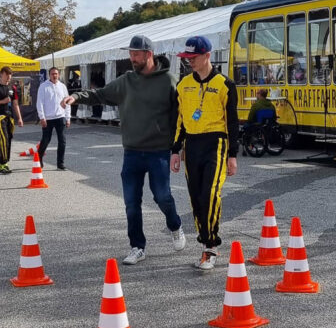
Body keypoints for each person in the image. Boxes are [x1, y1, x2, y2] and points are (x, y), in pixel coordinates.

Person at [61, 35, 185, 265]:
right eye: (130, 53)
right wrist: (76, 97)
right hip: (132, 152)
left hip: (159, 151)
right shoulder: (125, 81)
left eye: (136, 54)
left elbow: (181, 114)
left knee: (162, 196)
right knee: (131, 203)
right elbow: (99, 94)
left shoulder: (169, 80)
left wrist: (179, 147)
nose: (132, 58)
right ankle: (137, 246)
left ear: (149, 54)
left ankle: (175, 225)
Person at [171, 35, 239, 270]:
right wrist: (175, 150)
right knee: (196, 198)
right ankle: (205, 241)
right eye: (186, 57)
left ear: (207, 56)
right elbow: (178, 120)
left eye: (193, 57)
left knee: (210, 194)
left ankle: (211, 246)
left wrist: (233, 155)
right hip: (192, 145)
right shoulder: (183, 85)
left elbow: (233, 122)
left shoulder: (225, 84)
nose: (189, 61)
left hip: (216, 143)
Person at [0, 66, 24, 174]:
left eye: (10, 75)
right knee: (4, 138)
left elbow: (15, 104)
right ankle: (3, 163)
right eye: (6, 74)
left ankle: (0, 163)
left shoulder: (13, 88)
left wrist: (20, 118)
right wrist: (2, 101)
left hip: (9, 117)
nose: (8, 77)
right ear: (1, 74)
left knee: (7, 139)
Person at [36, 67, 70, 169]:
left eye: (56, 74)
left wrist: (68, 118)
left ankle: (60, 163)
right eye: (52, 74)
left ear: (58, 75)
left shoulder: (62, 86)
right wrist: (42, 117)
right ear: (49, 75)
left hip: (60, 117)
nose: (54, 76)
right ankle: (39, 158)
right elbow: (39, 103)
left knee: (62, 141)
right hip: (48, 118)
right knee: (46, 140)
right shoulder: (43, 87)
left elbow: (67, 102)